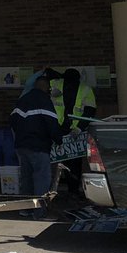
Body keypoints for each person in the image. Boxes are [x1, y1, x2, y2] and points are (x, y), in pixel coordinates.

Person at [10, 68, 63, 218]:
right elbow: (52, 124)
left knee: (26, 178)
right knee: (42, 178)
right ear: (46, 88)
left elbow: (13, 120)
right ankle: (40, 212)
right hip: (39, 146)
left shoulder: (23, 100)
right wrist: (58, 140)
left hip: (22, 146)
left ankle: (25, 209)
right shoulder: (44, 101)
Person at [52, 67, 97, 200]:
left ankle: (73, 190)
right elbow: (43, 78)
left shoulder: (85, 90)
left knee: (73, 162)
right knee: (60, 160)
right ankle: (61, 190)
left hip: (73, 131)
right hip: (60, 128)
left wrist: (79, 128)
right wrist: (50, 92)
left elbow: (89, 111)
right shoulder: (56, 84)